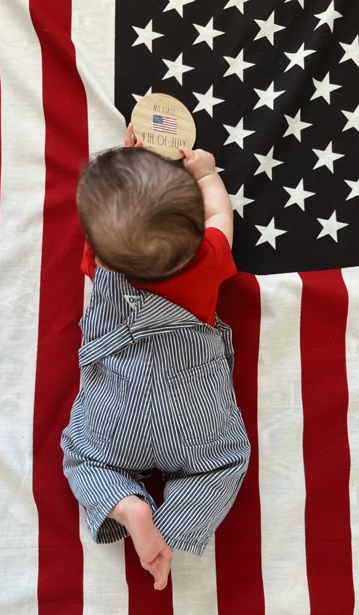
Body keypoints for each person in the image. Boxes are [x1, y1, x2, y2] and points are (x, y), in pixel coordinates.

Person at [61, 124, 250, 591]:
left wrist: (129, 168)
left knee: (81, 457)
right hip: (193, 416)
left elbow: (113, 220)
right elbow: (219, 213)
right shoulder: (208, 259)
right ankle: (175, 522)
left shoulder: (103, 263)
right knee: (225, 462)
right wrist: (205, 175)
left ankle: (126, 505)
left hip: (117, 415)